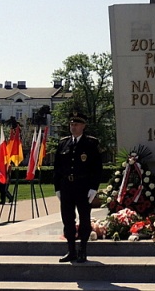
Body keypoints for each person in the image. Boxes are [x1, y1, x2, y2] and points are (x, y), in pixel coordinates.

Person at [53, 113, 102, 264]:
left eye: (76, 125)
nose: (73, 127)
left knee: (84, 220)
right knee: (68, 220)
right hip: (67, 187)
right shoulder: (63, 143)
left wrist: (93, 188)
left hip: (83, 187)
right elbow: (57, 167)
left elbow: (97, 168)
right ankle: (71, 250)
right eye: (71, 125)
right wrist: (57, 188)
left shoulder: (91, 144)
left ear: (83, 126)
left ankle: (83, 250)